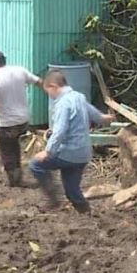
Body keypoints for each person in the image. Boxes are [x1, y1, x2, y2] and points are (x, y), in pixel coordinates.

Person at [29, 70, 114, 213]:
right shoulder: (79, 97)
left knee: (35, 165)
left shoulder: (63, 103)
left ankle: (53, 199)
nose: (49, 95)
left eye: (48, 91)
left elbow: (60, 131)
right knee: (72, 191)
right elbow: (97, 116)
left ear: (53, 86)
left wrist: (48, 151)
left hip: (68, 152)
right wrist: (109, 118)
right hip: (84, 154)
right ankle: (86, 213)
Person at [0, 50, 43, 187]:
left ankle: (14, 180)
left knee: (7, 150)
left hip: (8, 123)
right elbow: (39, 82)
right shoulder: (19, 70)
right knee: (14, 146)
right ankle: (17, 173)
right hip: (24, 120)